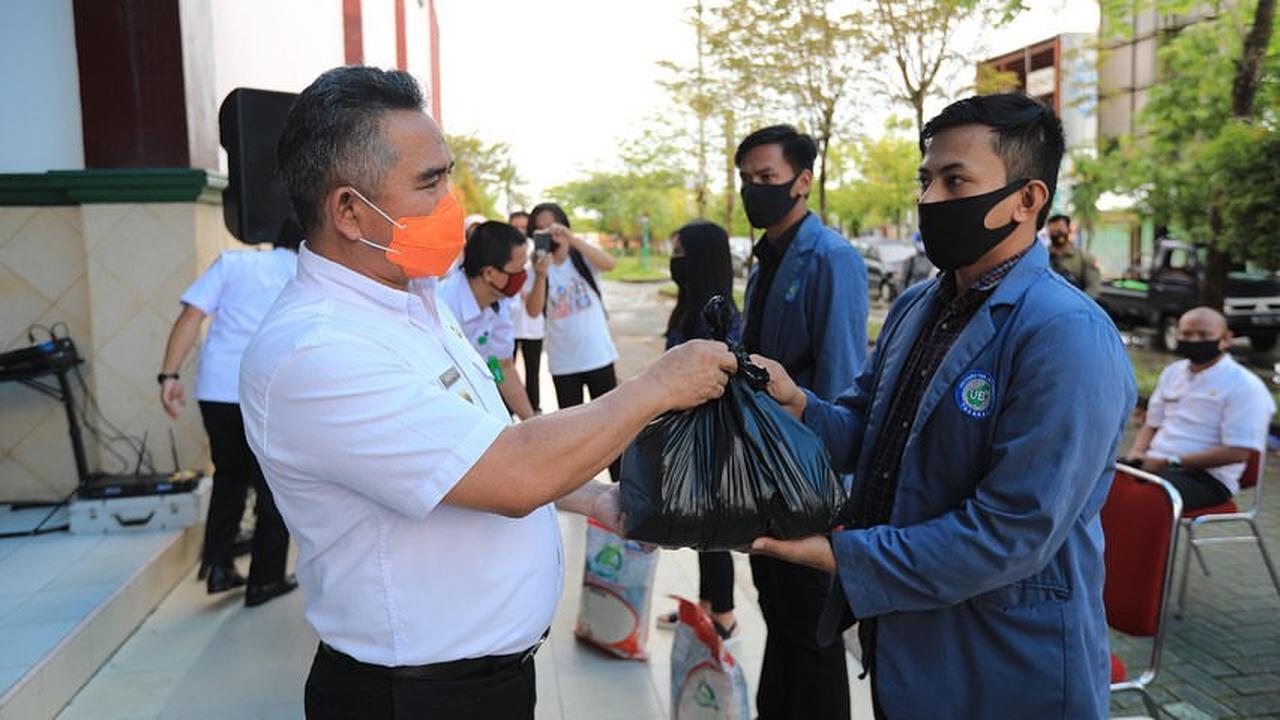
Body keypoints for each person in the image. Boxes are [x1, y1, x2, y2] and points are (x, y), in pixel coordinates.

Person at [242, 66, 736, 718]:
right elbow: (512, 473)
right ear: (349, 211)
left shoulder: (413, 301)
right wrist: (657, 386)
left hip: (484, 681)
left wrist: (600, 499)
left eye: (447, 175)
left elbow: (482, 447)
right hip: (413, 696)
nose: (452, 205)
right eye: (430, 183)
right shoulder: (317, 352)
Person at [750, 94, 1136, 718]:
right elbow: (863, 431)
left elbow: (1010, 532)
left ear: (1027, 199)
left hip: (1007, 665)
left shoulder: (1065, 335)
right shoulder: (918, 307)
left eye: (956, 180)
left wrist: (841, 557)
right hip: (911, 644)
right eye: (926, 180)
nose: (929, 200)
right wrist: (797, 405)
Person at [735, 124, 868, 719]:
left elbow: (842, 381)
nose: (755, 190)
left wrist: (826, 487)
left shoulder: (832, 258)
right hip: (761, 467)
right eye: (747, 180)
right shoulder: (767, 257)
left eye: (767, 178)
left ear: (803, 180)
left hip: (805, 477)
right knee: (782, 615)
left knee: (812, 630)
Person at [158, 218, 299, 606]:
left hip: (217, 391)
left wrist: (169, 375)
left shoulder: (234, 263)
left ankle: (218, 566)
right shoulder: (308, 273)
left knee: (230, 474)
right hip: (267, 392)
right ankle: (265, 580)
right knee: (272, 484)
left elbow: (191, 316)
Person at [654, 220, 742, 641]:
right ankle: (706, 607)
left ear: (701, 258)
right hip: (686, 432)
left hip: (711, 435)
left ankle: (723, 613)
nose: (675, 262)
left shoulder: (719, 312)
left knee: (714, 527)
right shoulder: (689, 306)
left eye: (680, 253)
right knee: (701, 527)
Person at [1125, 307, 1276, 510]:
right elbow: (1152, 424)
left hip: (1208, 478)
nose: (1194, 340)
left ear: (1226, 339)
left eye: (1204, 335)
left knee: (1143, 500)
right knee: (1095, 482)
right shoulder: (1172, 373)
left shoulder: (1245, 386)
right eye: (1187, 334)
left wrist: (1171, 461)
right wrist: (1137, 452)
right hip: (1156, 465)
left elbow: (1238, 452)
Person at [524, 202, 621, 479]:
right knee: (575, 432)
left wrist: (572, 240)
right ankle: (582, 485)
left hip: (597, 354)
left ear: (563, 226)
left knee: (613, 424)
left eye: (552, 226)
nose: (547, 232)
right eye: (540, 228)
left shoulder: (581, 257)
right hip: (564, 361)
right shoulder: (536, 269)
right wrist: (541, 275)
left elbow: (610, 264)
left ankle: (622, 482)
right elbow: (533, 310)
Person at [437, 221, 537, 420]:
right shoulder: (443, 306)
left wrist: (533, 422)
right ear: (490, 273)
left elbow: (503, 366)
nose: (523, 276)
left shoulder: (499, 302)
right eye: (518, 269)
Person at [507, 210, 547, 413]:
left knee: (533, 369)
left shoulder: (537, 250)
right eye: (515, 227)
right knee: (506, 367)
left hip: (533, 322)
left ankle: (534, 409)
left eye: (524, 227)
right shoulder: (502, 250)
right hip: (509, 323)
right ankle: (507, 409)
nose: (520, 231)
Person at [1047, 213, 1101, 297]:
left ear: (1069, 230)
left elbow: (1092, 288)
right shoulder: (1042, 256)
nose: (1056, 235)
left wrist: (1078, 306)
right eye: (1053, 232)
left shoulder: (1084, 257)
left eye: (1060, 231)